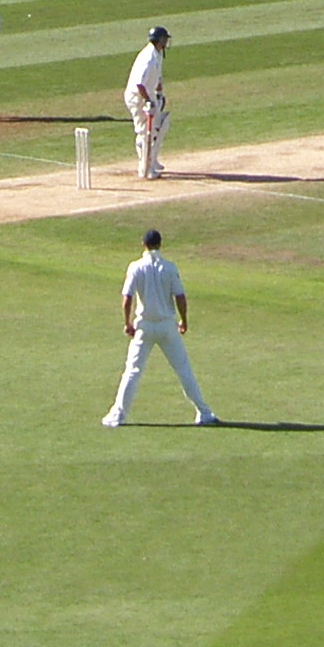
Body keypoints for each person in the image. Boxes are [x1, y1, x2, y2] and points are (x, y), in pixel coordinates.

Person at [103, 228, 216, 428]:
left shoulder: (136, 267)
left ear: (143, 245)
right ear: (160, 244)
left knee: (133, 371)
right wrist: (184, 321)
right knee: (184, 370)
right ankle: (204, 412)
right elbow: (180, 297)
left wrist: (127, 322)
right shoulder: (170, 268)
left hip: (144, 326)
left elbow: (127, 297)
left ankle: (118, 416)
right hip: (167, 327)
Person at [126, 26, 171, 179]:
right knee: (144, 132)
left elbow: (156, 78)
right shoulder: (149, 58)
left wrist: (159, 95)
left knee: (161, 125)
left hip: (148, 95)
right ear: (159, 40)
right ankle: (144, 168)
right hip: (138, 97)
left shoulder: (157, 53)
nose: (166, 42)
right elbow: (140, 84)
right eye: (165, 39)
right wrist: (147, 101)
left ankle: (153, 160)